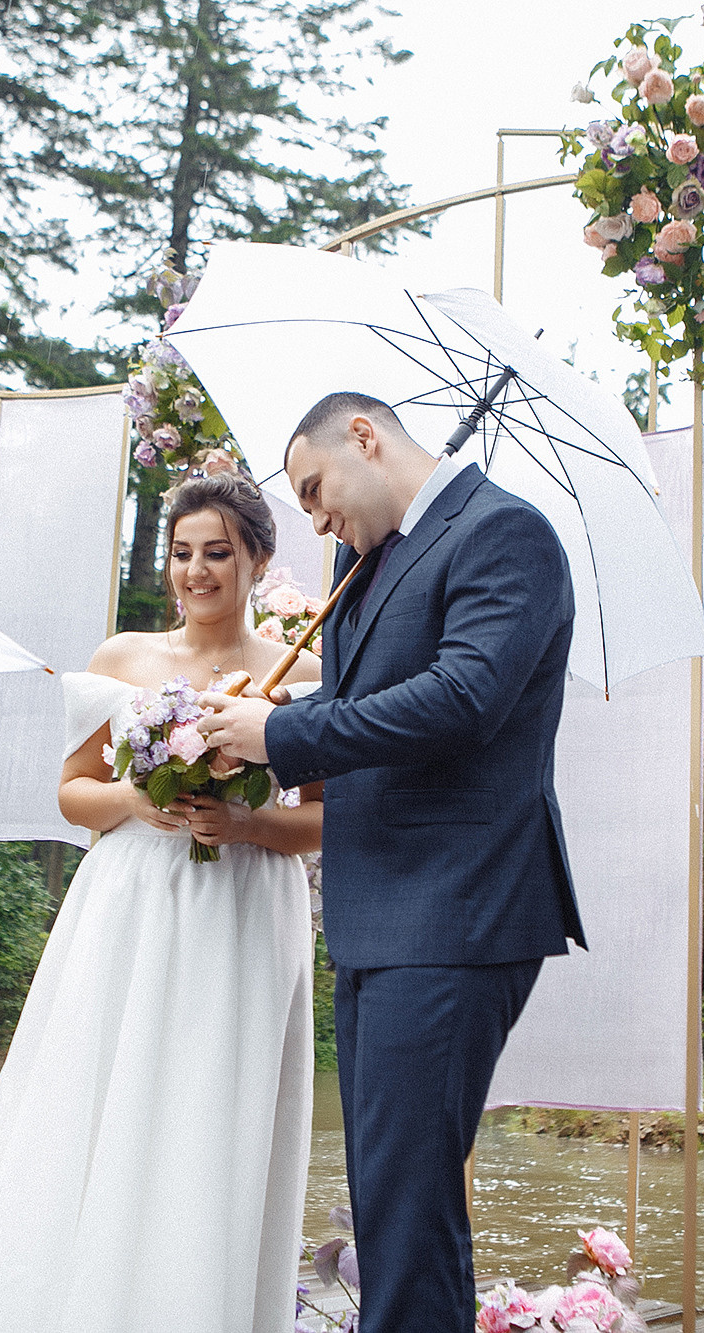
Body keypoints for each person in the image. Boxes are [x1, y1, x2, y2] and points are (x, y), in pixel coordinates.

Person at [0, 470, 323, 1333]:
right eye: (182, 553)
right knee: (101, 1095)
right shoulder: (123, 659)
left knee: (212, 1109)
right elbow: (73, 791)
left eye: (218, 553)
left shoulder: (302, 676)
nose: (196, 571)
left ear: (259, 560)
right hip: (132, 903)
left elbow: (326, 819)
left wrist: (247, 822)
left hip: (246, 910)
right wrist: (137, 800)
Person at [199, 393, 585, 1333]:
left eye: (314, 490)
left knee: (407, 1207)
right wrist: (259, 722)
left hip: (458, 905)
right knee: (388, 1205)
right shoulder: (362, 559)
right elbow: (361, 706)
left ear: (365, 439)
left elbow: (463, 698)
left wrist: (280, 733)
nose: (314, 519)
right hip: (374, 913)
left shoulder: (505, 534)